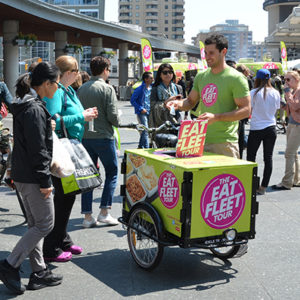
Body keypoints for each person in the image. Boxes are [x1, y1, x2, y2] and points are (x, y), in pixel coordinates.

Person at [0, 62, 63, 294]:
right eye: (56, 83)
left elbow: (31, 139)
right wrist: (46, 181)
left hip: (23, 174)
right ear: (46, 84)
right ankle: (9, 264)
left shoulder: (28, 104)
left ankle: (39, 271)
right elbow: (38, 150)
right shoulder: (34, 108)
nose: (57, 88)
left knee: (36, 224)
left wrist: (48, 125)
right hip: (34, 177)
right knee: (45, 224)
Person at [43, 55, 98, 262]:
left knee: (68, 195)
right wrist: (82, 117)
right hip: (62, 150)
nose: (77, 75)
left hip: (70, 147)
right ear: (67, 72)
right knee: (65, 197)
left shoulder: (67, 90)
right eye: (75, 71)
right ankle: (52, 245)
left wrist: (83, 114)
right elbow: (54, 120)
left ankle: (62, 238)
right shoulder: (57, 91)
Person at [166, 34, 250, 158]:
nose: (207, 57)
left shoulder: (236, 78)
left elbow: (246, 111)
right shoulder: (201, 76)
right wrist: (177, 104)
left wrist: (216, 117)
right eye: (205, 53)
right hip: (199, 139)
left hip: (225, 142)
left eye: (211, 53)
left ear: (223, 52)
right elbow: (190, 101)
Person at [78, 56, 120, 228]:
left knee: (87, 175)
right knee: (112, 172)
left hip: (85, 136)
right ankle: (104, 212)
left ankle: (87, 216)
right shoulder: (107, 88)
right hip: (104, 136)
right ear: (105, 70)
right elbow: (113, 117)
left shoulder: (82, 88)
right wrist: (120, 119)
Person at [246, 69, 280, 195]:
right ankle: (263, 186)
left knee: (251, 157)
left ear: (257, 79)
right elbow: (276, 109)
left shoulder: (253, 93)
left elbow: (250, 110)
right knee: (268, 158)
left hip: (256, 128)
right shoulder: (275, 93)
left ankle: (252, 184)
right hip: (271, 127)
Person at [272, 71, 300, 190]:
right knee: (293, 154)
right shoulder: (294, 91)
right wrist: (282, 103)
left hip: (298, 125)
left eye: (289, 80)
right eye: (285, 80)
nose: (286, 82)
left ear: (297, 79)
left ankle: (287, 182)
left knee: (289, 153)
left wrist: (287, 92)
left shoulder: (297, 91)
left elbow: (295, 106)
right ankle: (296, 179)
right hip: (292, 123)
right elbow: (290, 106)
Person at [149, 63, 183, 128]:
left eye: (170, 72)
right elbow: (152, 107)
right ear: (160, 75)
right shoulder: (155, 89)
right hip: (161, 120)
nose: (168, 74)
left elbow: (182, 107)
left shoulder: (178, 88)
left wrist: (179, 102)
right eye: (165, 72)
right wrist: (166, 102)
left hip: (176, 118)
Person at [130, 71, 153, 148]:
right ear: (146, 79)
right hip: (142, 112)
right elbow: (132, 100)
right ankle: (146, 149)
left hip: (150, 112)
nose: (153, 79)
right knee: (145, 130)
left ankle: (140, 146)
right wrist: (140, 108)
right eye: (151, 78)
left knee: (146, 131)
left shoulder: (152, 88)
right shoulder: (139, 89)